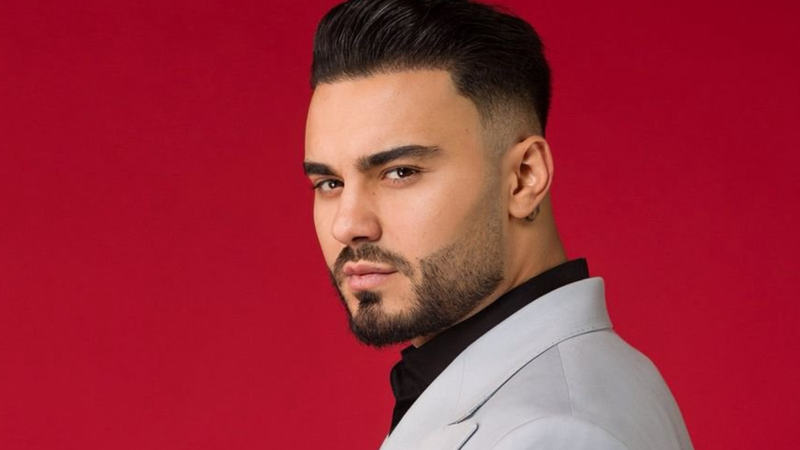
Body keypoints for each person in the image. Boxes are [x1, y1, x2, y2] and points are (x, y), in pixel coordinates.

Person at [303, 0, 694, 448]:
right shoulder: (556, 391)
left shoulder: (554, 433)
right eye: (329, 183)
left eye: (400, 172)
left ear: (524, 178)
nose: (348, 225)